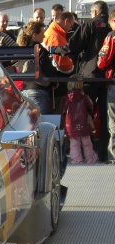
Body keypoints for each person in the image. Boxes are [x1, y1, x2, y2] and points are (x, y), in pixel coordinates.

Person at [50, 1, 111, 161]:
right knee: (105, 118)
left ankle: (86, 154)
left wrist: (53, 50)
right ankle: (104, 154)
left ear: (94, 12)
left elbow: (73, 46)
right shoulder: (111, 27)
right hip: (107, 78)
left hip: (89, 76)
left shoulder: (90, 25)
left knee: (83, 115)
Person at [18, 21, 61, 115]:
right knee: (40, 123)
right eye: (42, 33)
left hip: (24, 90)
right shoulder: (40, 50)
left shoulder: (21, 49)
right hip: (38, 90)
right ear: (34, 35)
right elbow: (47, 68)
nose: (44, 36)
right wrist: (55, 81)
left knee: (29, 124)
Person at [61, 76, 98, 164]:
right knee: (87, 143)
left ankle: (77, 160)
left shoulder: (66, 98)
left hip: (71, 125)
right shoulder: (84, 97)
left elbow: (63, 111)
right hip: (84, 124)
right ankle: (90, 159)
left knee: (74, 144)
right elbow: (90, 108)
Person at [97, 9, 115, 163]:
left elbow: (103, 60)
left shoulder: (111, 36)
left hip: (113, 82)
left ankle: (113, 157)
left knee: (113, 122)